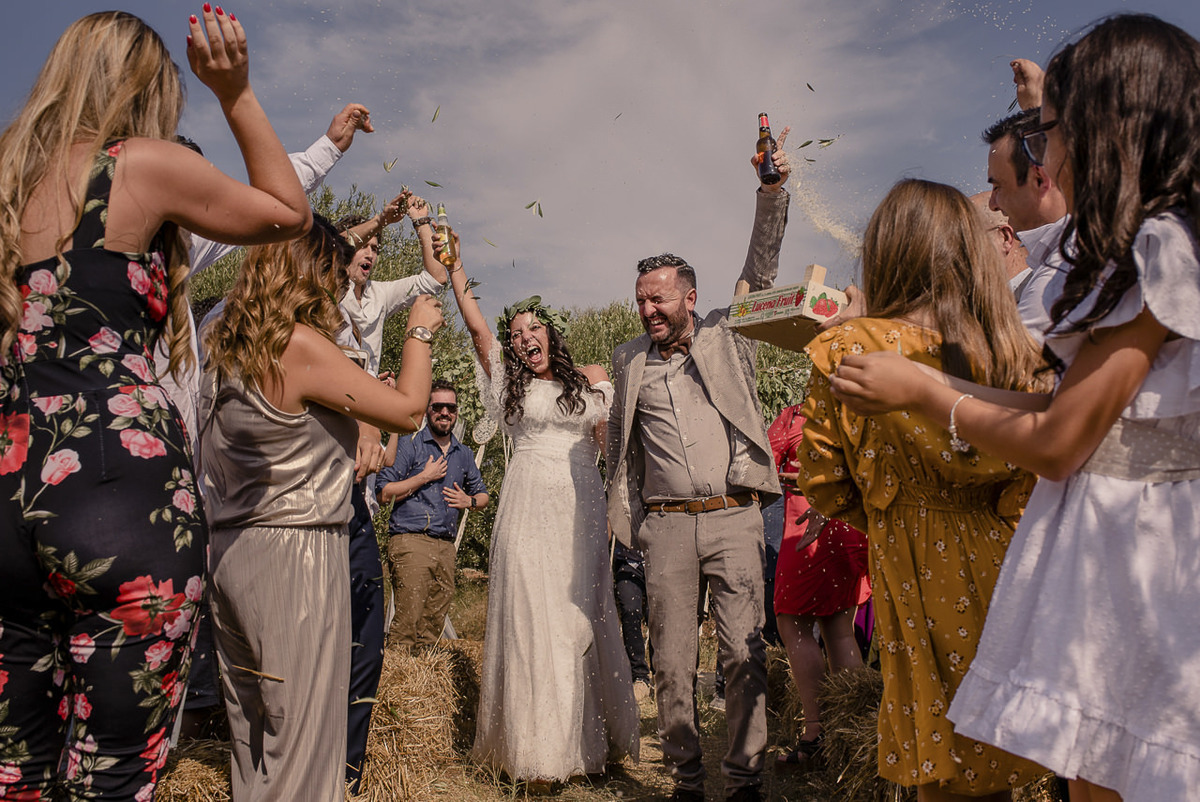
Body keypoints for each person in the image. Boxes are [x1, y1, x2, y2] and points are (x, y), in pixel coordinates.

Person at [830, 15, 1200, 802]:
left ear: (1106, 133)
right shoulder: (1153, 245)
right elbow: (1056, 402)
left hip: (1142, 561)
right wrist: (937, 386)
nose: (1047, 159)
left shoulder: (1161, 251)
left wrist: (926, 394)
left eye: (1051, 133)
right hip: (1115, 545)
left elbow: (1060, 440)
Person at [0, 9, 312, 798]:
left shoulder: (5, 174)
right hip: (114, 489)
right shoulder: (136, 164)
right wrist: (236, 94)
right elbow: (286, 212)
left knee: (16, 767)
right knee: (113, 769)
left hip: (8, 484)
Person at [796, 179, 1046, 801]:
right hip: (1002, 562)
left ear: (886, 251)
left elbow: (823, 480)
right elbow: (1035, 472)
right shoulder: (1012, 350)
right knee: (994, 758)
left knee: (936, 751)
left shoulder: (846, 349)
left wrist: (890, 510)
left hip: (908, 562)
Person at [200, 215, 443, 800]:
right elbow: (409, 410)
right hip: (296, 552)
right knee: (305, 741)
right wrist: (419, 330)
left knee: (253, 740)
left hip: (230, 551)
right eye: (333, 274)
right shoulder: (297, 344)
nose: (338, 288)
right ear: (311, 272)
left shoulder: (222, 344)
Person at [606, 129, 791, 802]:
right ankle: (686, 777)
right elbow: (620, 449)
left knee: (743, 652)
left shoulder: (726, 335)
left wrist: (772, 192)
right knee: (671, 662)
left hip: (735, 519)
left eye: (658, 298)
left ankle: (744, 779)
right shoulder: (629, 360)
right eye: (640, 300)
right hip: (666, 529)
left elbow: (761, 270)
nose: (647, 310)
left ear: (690, 296)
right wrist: (633, 522)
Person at [445, 238, 638, 790]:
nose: (523, 338)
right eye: (516, 333)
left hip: (581, 506)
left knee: (578, 616)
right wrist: (455, 266)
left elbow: (610, 445)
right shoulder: (510, 385)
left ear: (552, 332)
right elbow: (478, 330)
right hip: (527, 506)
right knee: (532, 615)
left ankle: (587, 739)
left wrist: (618, 505)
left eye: (532, 328)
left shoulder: (592, 377)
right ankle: (537, 753)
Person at [769, 403, 870, 772]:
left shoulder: (798, 416)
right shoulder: (862, 412)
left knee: (793, 622)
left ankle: (815, 735)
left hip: (808, 523)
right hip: (853, 522)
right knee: (839, 628)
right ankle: (852, 732)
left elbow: (762, 462)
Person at [376, 379, 488, 654]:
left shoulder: (463, 453)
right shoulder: (410, 445)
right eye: (438, 407)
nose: (444, 413)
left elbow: (483, 495)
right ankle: (400, 676)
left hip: (446, 547)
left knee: (433, 627)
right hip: (411, 540)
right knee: (408, 622)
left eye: (450, 407)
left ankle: (424, 679)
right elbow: (384, 493)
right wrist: (424, 477)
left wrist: (470, 501)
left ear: (457, 412)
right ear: (428, 410)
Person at [981, 109, 1070, 341]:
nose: (993, 204)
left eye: (998, 187)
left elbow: (1017, 364)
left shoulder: (1058, 278)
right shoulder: (1057, 263)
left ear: (1039, 180)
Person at [337, 193, 447, 377]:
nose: (369, 255)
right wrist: (381, 220)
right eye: (363, 246)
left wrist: (421, 221)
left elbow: (436, 278)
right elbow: (331, 249)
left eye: (374, 249)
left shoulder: (379, 293)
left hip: (365, 390)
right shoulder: (327, 288)